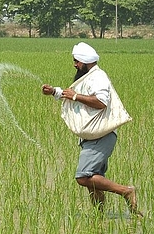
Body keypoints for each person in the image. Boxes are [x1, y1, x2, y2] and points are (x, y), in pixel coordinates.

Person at [41, 42, 142, 217]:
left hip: (101, 135)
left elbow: (100, 102)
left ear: (86, 62)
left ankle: (126, 191)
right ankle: (99, 217)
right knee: (92, 180)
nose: (75, 64)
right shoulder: (88, 77)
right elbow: (76, 95)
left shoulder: (98, 77)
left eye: (77, 61)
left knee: (83, 177)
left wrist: (75, 96)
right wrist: (54, 92)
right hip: (93, 136)